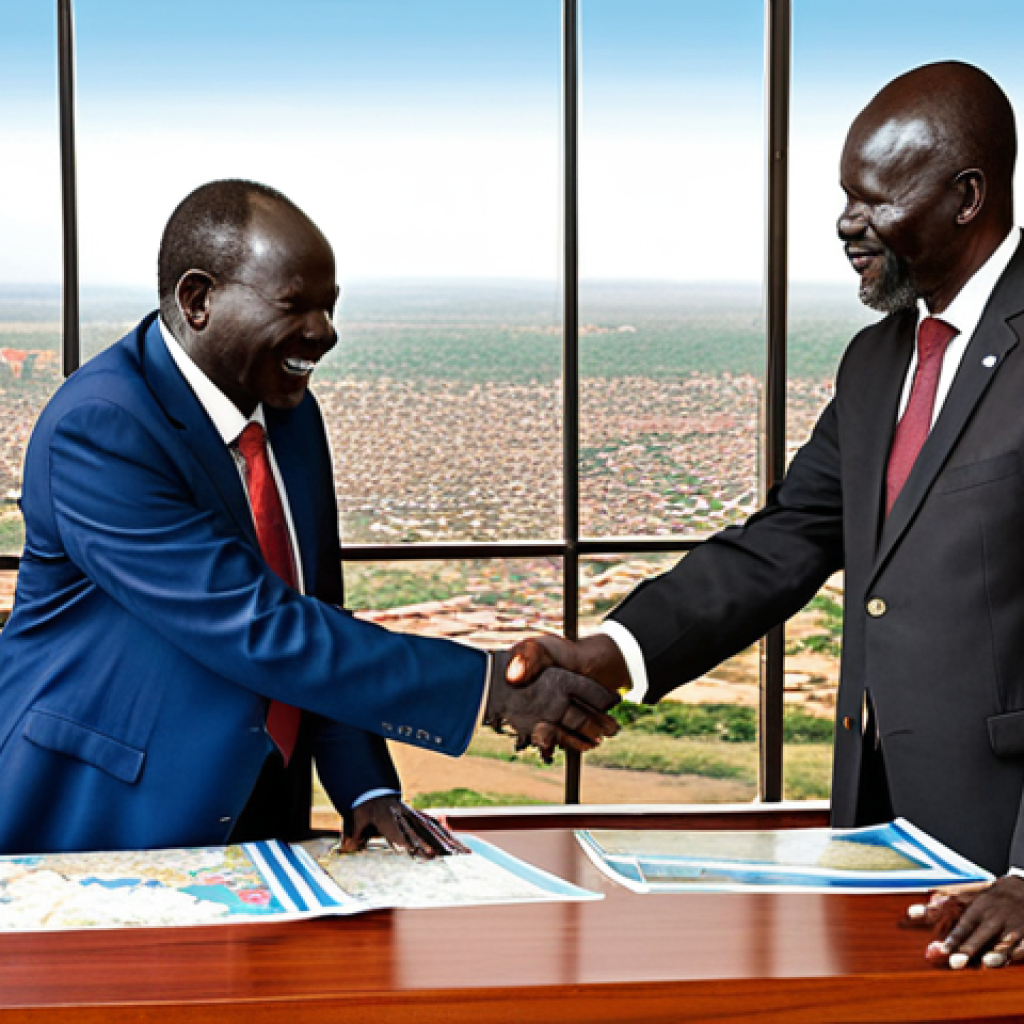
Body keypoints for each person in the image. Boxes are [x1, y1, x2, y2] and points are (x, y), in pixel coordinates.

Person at [508, 60, 1024, 966]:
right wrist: (611, 653)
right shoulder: (876, 363)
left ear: (967, 197)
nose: (846, 224)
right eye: (843, 198)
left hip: (1006, 865)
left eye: (873, 200)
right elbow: (781, 544)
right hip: (877, 834)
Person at [0, 179, 617, 857]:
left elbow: (317, 609)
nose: (326, 332)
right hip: (110, 808)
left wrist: (363, 787)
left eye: (330, 307)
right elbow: (257, 625)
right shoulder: (102, 427)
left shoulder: (289, 412)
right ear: (198, 300)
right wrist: (490, 691)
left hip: (261, 800)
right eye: (296, 306)